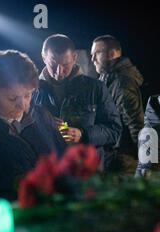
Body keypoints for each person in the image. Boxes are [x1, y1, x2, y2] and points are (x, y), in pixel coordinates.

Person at [0, 50, 66, 209]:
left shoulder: (41, 115)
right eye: (12, 98)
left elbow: (64, 159)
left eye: (28, 95)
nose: (23, 107)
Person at [32, 34, 123, 170]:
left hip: (87, 173)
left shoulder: (95, 87)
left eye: (65, 65)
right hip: (49, 172)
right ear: (43, 57)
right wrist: (43, 125)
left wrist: (83, 134)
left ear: (74, 58)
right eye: (53, 64)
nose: (59, 72)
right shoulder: (32, 91)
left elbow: (115, 131)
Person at [91, 35, 144, 172]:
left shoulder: (121, 82)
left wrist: (145, 159)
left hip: (122, 159)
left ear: (112, 54)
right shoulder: (108, 79)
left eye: (96, 53)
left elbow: (135, 121)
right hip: (113, 155)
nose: (93, 59)